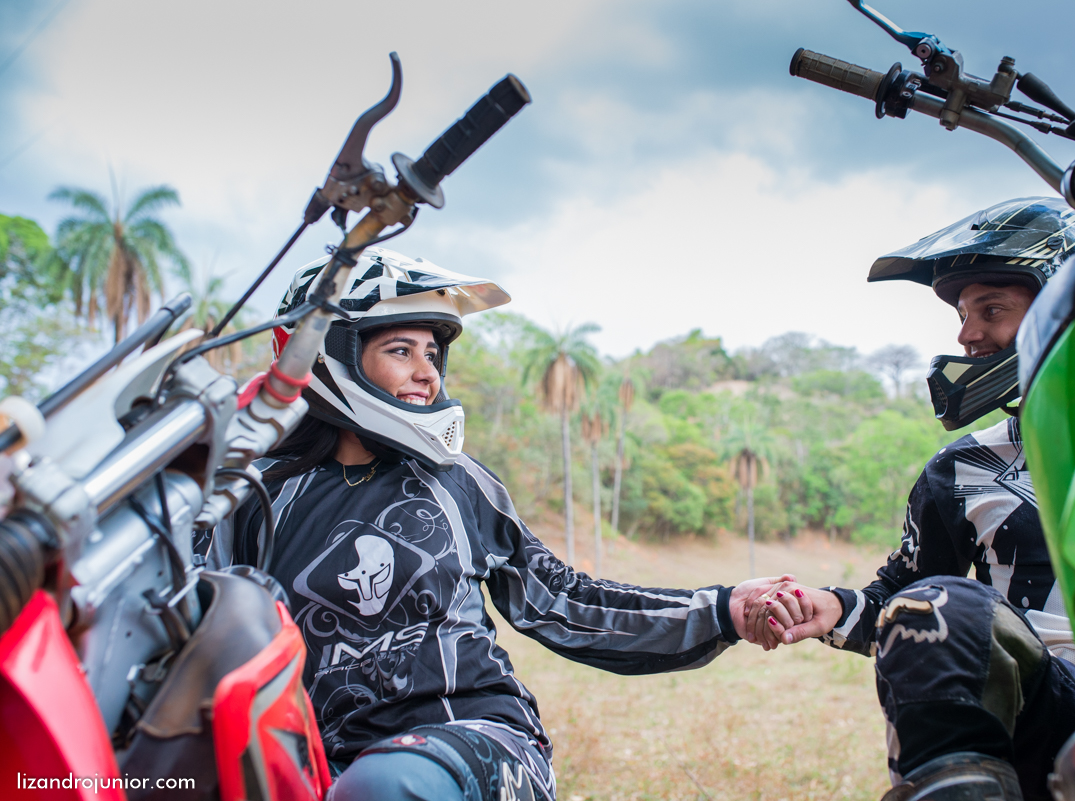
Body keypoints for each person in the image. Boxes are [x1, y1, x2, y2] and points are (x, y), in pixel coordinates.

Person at [207, 247, 809, 801]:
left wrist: (722, 608)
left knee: (381, 787)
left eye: (433, 354)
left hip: (477, 740)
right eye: (400, 351)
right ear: (326, 351)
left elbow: (564, 600)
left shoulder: (459, 482)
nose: (427, 373)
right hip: (320, 758)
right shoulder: (254, 494)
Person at [743, 198, 1075, 801]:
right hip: (1048, 711)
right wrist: (829, 607)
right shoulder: (961, 469)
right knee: (941, 601)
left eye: (992, 309)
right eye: (962, 312)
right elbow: (913, 601)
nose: (966, 334)